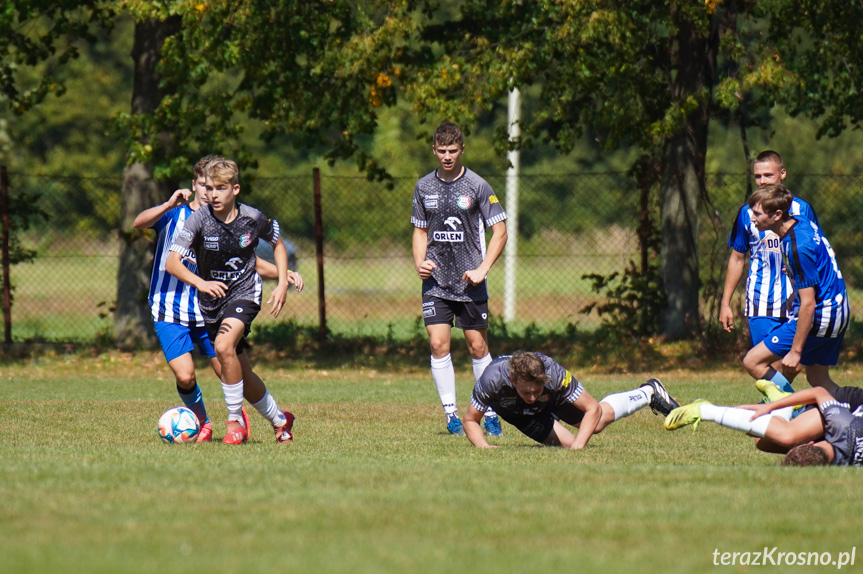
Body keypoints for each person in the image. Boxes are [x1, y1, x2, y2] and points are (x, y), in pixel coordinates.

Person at [133, 155, 274, 442]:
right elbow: (138, 223)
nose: (208, 192)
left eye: (214, 186)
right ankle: (202, 422)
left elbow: (248, 262)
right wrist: (169, 203)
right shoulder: (176, 215)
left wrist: (284, 273)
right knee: (185, 376)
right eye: (202, 185)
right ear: (194, 185)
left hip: (209, 309)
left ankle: (240, 419)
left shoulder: (223, 220)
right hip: (169, 308)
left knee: (230, 370)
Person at [166, 158, 302, 445]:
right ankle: (281, 420)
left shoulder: (252, 218)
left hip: (245, 293)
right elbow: (172, 263)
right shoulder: (199, 219)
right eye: (210, 188)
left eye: (221, 188)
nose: (213, 194)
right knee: (242, 372)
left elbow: (277, 244)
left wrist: (281, 283)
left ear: (235, 189)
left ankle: (234, 423)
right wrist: (201, 283)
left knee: (223, 346)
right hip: (211, 302)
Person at [411, 122, 508, 436]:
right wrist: (419, 262)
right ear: (434, 150)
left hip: (471, 283)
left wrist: (483, 269)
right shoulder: (424, 187)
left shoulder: (478, 186)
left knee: (477, 347)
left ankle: (489, 412)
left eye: (453, 151)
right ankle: (452, 416)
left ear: (462, 150)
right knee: (438, 345)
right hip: (436, 283)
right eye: (442, 151)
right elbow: (420, 230)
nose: (447, 156)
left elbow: (500, 232)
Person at [719, 150, 819, 393]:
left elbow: (819, 250)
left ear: (782, 174)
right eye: (757, 176)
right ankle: (787, 417)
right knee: (766, 363)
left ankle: (787, 413)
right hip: (762, 302)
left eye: (768, 175)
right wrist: (725, 302)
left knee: (792, 367)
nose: (762, 181)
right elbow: (737, 256)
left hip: (798, 301)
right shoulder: (747, 213)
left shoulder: (803, 209)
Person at [741, 184, 848, 394]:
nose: (752, 218)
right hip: (838, 309)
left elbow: (808, 303)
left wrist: (795, 352)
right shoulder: (801, 223)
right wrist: (794, 294)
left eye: (757, 214)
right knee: (818, 378)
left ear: (777, 215)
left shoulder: (798, 246)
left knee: (753, 361)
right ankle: (853, 413)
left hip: (821, 314)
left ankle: (794, 410)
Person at [463, 351, 679, 449]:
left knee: (597, 424)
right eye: (526, 392)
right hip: (521, 417)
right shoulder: (491, 380)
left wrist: (579, 447)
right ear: (512, 380)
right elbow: (471, 420)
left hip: (554, 400)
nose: (531, 397)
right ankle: (648, 392)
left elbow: (592, 408)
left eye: (536, 391)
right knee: (566, 445)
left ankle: (649, 392)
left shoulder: (555, 374)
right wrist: (483, 446)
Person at [665, 386, 863, 467]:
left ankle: (780, 402)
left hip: (839, 435)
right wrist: (770, 407)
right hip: (848, 405)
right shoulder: (843, 426)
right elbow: (819, 391)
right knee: (786, 436)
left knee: (763, 441)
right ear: (810, 443)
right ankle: (706, 409)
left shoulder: (846, 464)